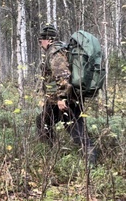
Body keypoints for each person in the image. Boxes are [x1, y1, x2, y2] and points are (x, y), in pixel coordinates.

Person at [36, 24, 97, 164]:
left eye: (41, 40)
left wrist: (61, 98)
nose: (40, 44)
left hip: (64, 100)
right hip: (64, 98)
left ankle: (90, 162)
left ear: (49, 40)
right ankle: (51, 154)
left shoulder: (55, 52)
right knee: (44, 121)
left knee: (75, 131)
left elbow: (63, 76)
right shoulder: (62, 50)